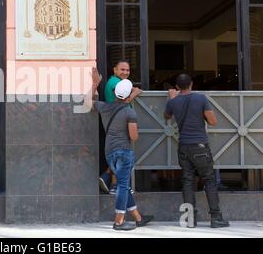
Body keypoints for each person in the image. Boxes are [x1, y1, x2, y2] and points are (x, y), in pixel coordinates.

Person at [88, 67, 153, 231]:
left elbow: (87, 102)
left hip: (109, 151)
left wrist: (95, 84)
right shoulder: (129, 113)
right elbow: (133, 137)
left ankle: (138, 218)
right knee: (123, 186)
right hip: (124, 151)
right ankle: (119, 222)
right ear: (128, 93)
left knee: (123, 184)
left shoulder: (104, 107)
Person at [164, 74, 229, 228]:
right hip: (200, 146)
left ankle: (190, 219)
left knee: (187, 181)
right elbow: (213, 121)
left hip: (183, 146)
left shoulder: (173, 101)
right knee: (209, 181)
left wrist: (171, 98)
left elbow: (166, 116)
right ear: (191, 84)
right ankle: (216, 218)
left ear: (177, 87)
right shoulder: (200, 99)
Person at [100, 60, 142, 194]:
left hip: (117, 121)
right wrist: (135, 93)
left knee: (118, 153)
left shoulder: (116, 82)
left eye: (127, 70)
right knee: (120, 153)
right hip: (119, 123)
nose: (125, 72)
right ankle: (114, 185)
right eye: (122, 69)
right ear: (115, 70)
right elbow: (124, 100)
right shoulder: (115, 83)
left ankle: (107, 176)